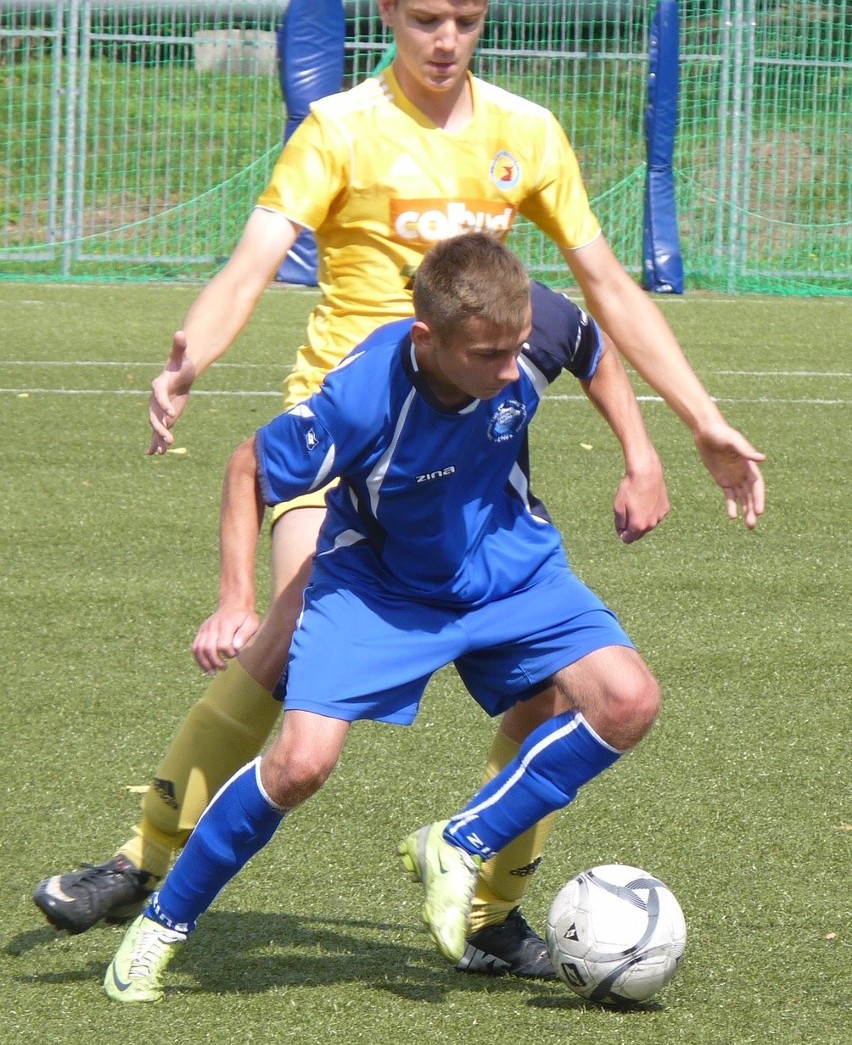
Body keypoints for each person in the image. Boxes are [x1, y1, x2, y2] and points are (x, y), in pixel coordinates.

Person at [35, 0, 764, 980]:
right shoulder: (339, 128)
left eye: (465, 21)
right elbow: (255, 258)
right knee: (281, 653)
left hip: (464, 448)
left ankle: (492, 909)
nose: (445, 41)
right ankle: (143, 858)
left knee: (546, 695)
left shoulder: (527, 132)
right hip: (343, 448)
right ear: (385, 9)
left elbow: (602, 290)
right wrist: (191, 352)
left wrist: (695, 420)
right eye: (426, 17)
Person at [104, 233, 671, 1003]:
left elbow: (591, 347)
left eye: (515, 350)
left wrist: (642, 458)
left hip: (510, 565)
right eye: (487, 356)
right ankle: (162, 925)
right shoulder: (363, 398)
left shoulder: (523, 326)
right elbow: (248, 466)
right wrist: (236, 599)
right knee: (301, 762)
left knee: (629, 699)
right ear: (426, 339)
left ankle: (459, 844)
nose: (510, 370)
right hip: (378, 585)